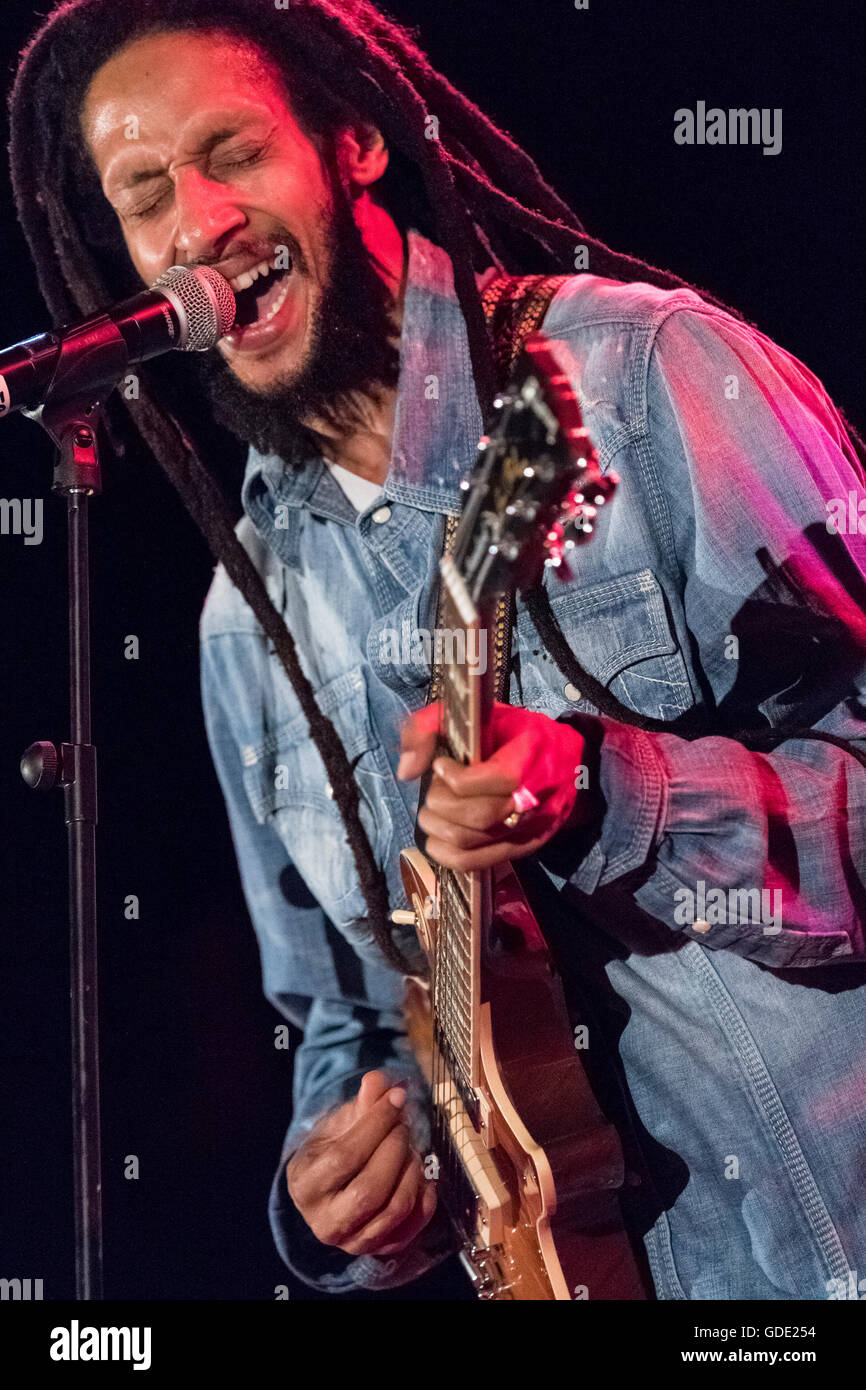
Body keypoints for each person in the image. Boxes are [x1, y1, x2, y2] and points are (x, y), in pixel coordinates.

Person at [9, 0, 866, 1300]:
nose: (198, 221)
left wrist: (610, 796)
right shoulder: (248, 623)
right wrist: (342, 1185)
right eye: (144, 194)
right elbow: (347, 1013)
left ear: (350, 139)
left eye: (231, 151)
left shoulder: (643, 380)